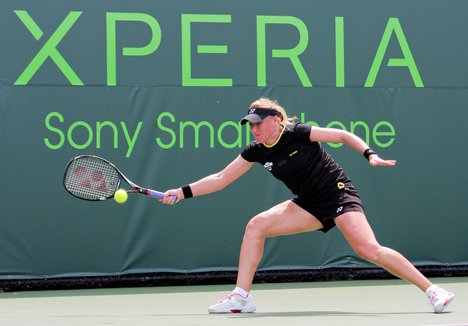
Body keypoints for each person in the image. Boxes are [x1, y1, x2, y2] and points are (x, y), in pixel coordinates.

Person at [161, 98, 455, 314]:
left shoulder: (298, 132)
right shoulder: (255, 151)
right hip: (308, 204)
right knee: (256, 226)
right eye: (250, 125)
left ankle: (432, 290)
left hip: (337, 194)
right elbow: (221, 178)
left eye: (258, 123)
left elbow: (341, 135)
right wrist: (183, 192)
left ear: (276, 119)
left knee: (367, 249)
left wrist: (370, 154)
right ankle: (242, 297)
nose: (254, 130)